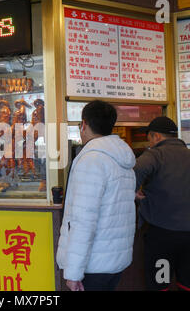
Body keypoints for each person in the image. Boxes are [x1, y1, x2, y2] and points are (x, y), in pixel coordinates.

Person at [134, 116, 190, 291]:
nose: (150, 144)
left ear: (156, 137)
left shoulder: (155, 155)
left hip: (162, 237)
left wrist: (133, 192)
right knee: (189, 285)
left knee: (160, 285)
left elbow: (131, 173)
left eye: (149, 139)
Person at [56, 100, 136, 291]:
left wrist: (73, 273)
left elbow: (83, 221)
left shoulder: (92, 159)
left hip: (93, 266)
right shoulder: (123, 159)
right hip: (114, 262)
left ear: (83, 124)